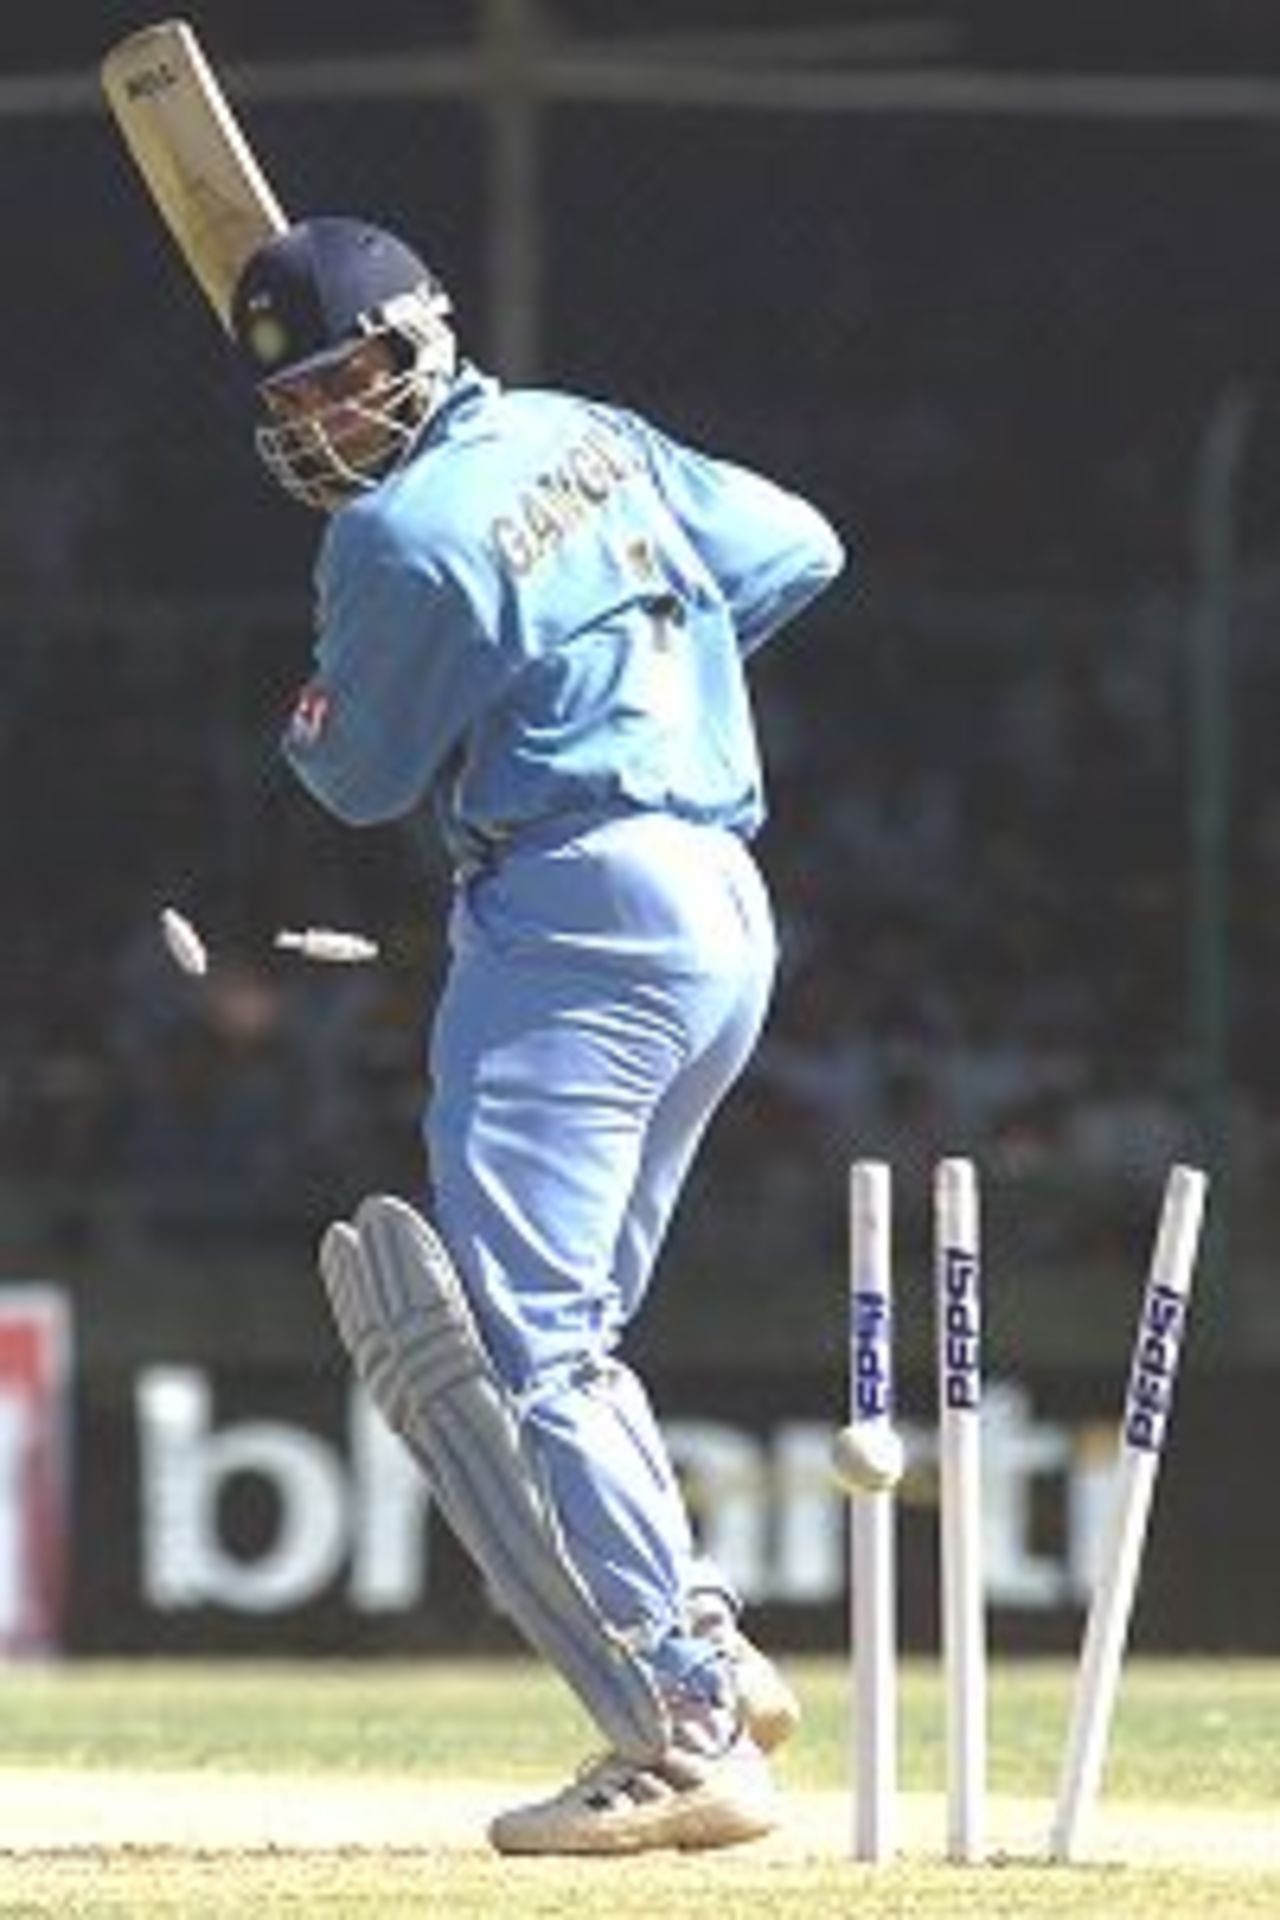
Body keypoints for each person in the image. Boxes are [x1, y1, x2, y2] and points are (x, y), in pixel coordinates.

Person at [228, 215, 846, 1855]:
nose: (324, 420)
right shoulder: (586, 431)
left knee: (540, 1345)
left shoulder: (395, 536)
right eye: (294, 397)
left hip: (566, 913)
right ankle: (698, 1636)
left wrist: (333, 708)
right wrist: (636, 657)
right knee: (578, 1328)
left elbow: (355, 779)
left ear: (421, 339)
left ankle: (689, 1724)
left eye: (348, 378)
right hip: (721, 903)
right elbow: (794, 547)